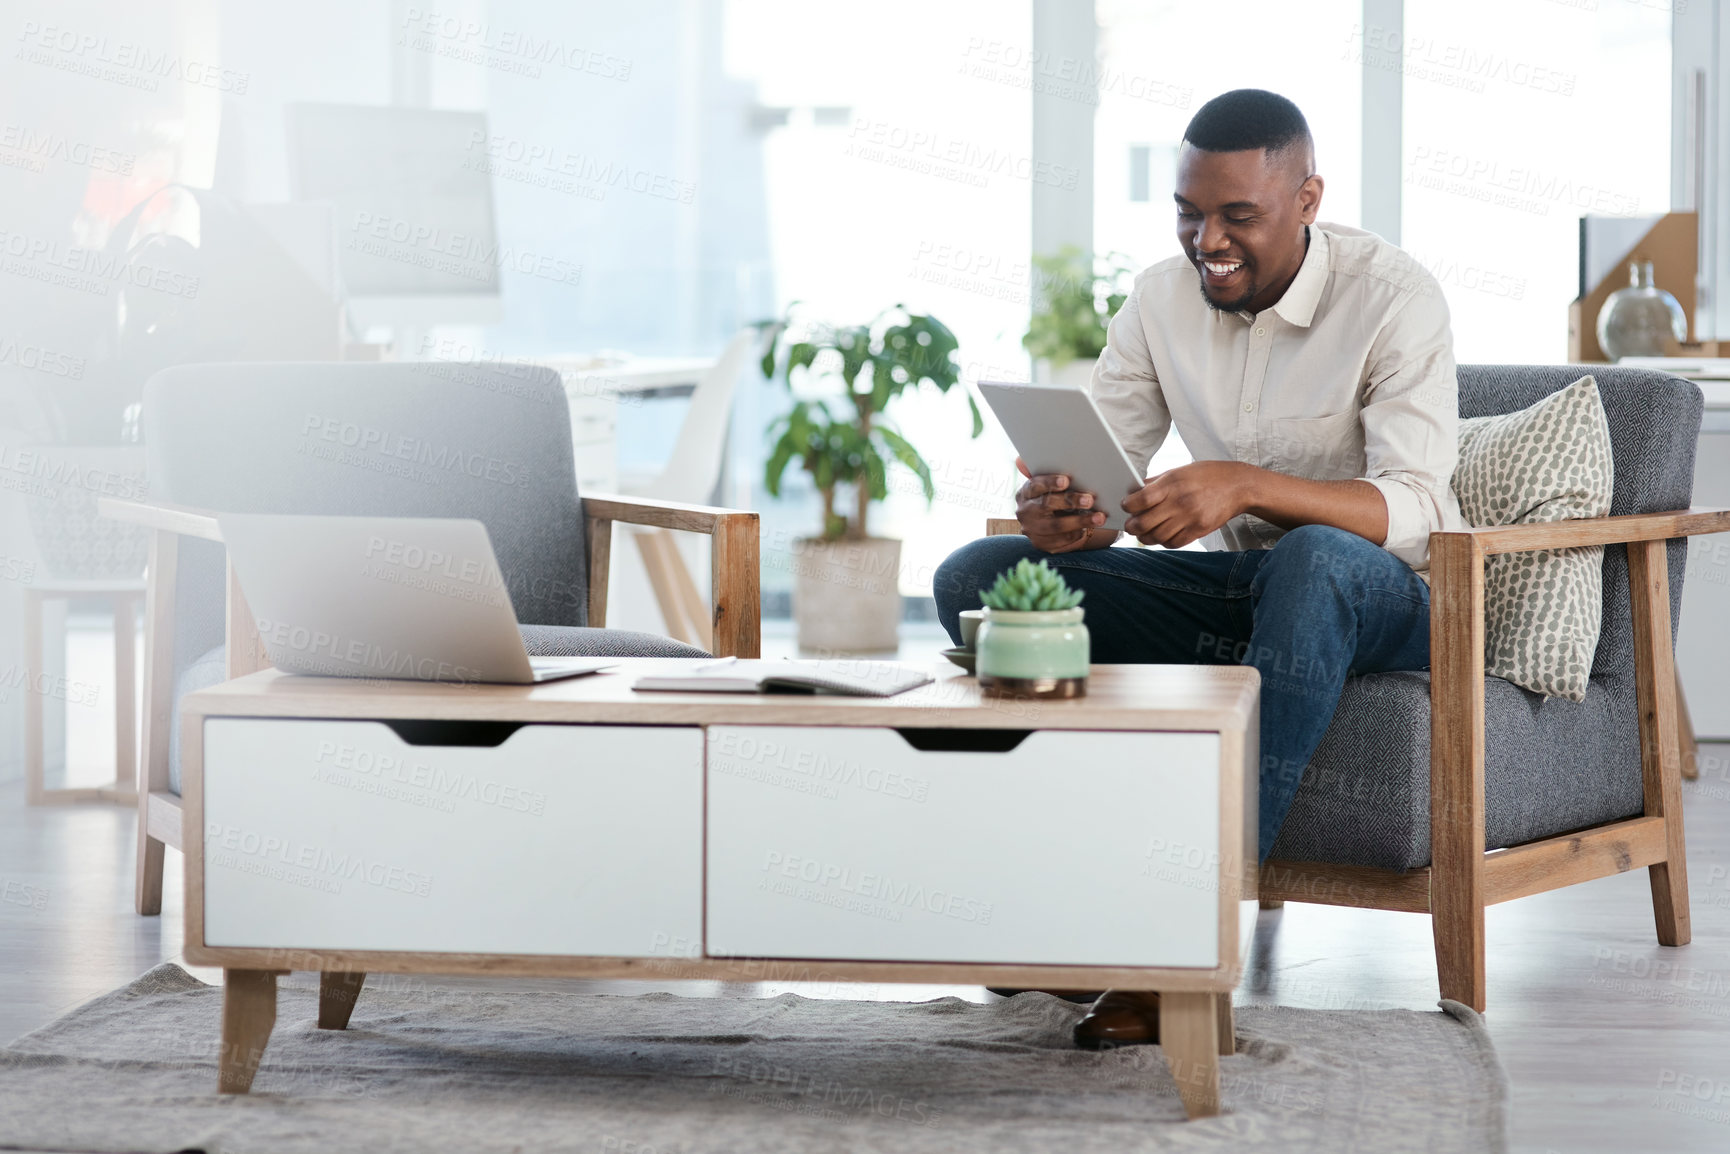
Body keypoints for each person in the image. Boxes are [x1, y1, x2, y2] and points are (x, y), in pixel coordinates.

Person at [933, 89, 1466, 1050]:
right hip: (1236, 595)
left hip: (1393, 596)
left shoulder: (1394, 296)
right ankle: (1037, 900)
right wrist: (1065, 516)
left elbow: (1416, 507)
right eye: (1189, 212)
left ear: (1307, 198)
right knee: (979, 574)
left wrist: (1244, 484)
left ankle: (1180, 952)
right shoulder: (1159, 298)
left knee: (1311, 561)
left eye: (1237, 216)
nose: (1205, 239)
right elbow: (1110, 467)